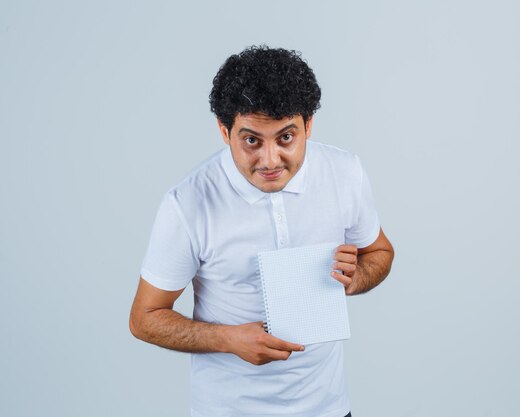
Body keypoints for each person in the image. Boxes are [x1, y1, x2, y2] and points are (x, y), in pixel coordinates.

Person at [129, 45, 394, 417]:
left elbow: (380, 252)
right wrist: (228, 338)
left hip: (328, 408)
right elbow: (144, 318)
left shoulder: (345, 172)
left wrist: (355, 278)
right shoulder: (188, 203)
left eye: (286, 137)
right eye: (251, 140)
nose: (270, 161)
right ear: (225, 131)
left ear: (308, 125)